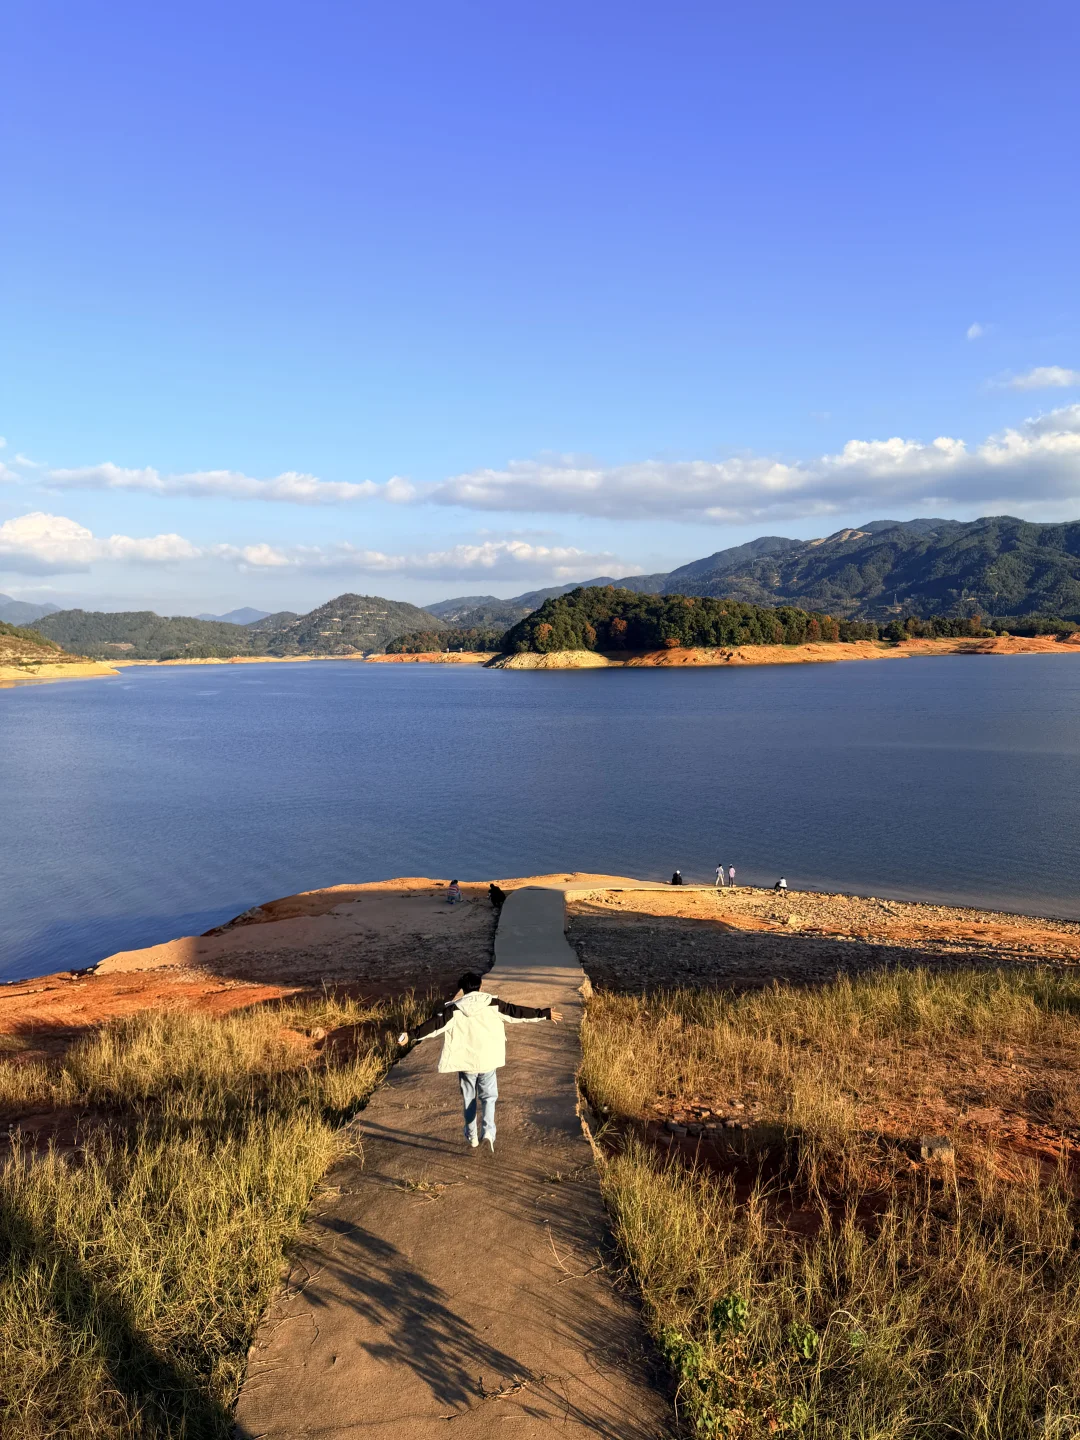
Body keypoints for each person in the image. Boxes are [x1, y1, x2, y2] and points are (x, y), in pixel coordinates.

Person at [397, 972, 562, 1153]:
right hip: (488, 1061)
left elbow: (434, 1026)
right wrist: (544, 1014)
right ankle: (489, 1134)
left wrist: (411, 1035)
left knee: (469, 1099)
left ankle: (472, 1136)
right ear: (480, 986)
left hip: (467, 1064)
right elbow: (517, 1013)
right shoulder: (493, 1004)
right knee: (489, 1098)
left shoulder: (454, 1010)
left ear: (462, 989)